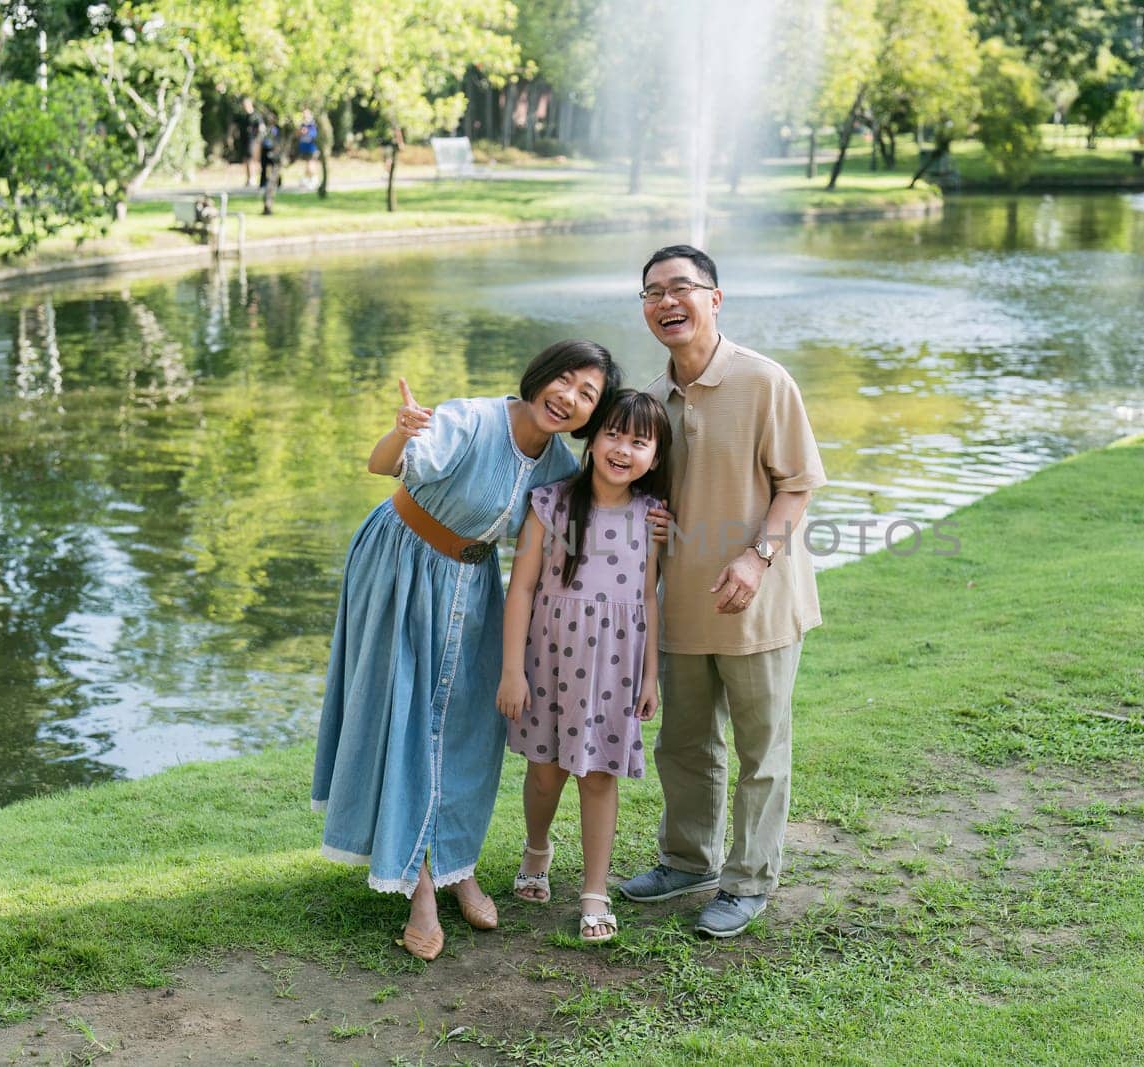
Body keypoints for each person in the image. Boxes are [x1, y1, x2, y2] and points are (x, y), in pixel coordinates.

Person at [312, 341, 621, 961]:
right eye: (563, 380)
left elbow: (592, 516)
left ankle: (457, 864)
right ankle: (420, 886)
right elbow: (384, 466)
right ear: (538, 376)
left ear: (593, 414)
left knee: (472, 726)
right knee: (405, 714)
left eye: (587, 394)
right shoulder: (469, 419)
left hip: (473, 583)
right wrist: (400, 434)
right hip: (401, 564)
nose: (568, 398)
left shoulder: (559, 466)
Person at [619, 245, 827, 938]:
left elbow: (795, 484)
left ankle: (749, 880)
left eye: (682, 287)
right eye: (653, 292)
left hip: (757, 602)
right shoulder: (650, 401)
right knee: (682, 743)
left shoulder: (765, 382)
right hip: (681, 605)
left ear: (715, 298)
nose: (667, 302)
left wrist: (756, 557)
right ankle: (688, 860)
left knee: (760, 750)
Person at [497, 391, 671, 944]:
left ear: (656, 457)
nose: (623, 450)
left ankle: (594, 890)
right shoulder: (550, 504)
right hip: (549, 658)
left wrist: (649, 676)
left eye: (639, 442)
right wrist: (511, 671)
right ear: (591, 439)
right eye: (613, 435)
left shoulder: (652, 517)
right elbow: (521, 588)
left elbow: (648, 599)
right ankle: (537, 849)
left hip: (614, 664)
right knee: (545, 772)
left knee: (599, 776)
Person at [239, 97, 262, 186]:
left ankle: (253, 178)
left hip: (253, 140)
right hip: (245, 140)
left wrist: (257, 139)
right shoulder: (244, 116)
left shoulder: (256, 115)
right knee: (246, 160)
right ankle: (249, 178)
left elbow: (260, 128)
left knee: (251, 159)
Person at [297, 109, 320, 186]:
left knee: (311, 163)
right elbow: (298, 135)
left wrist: (307, 131)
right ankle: (308, 179)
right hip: (304, 147)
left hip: (311, 147)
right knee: (307, 164)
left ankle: (314, 179)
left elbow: (314, 134)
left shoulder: (312, 124)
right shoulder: (302, 124)